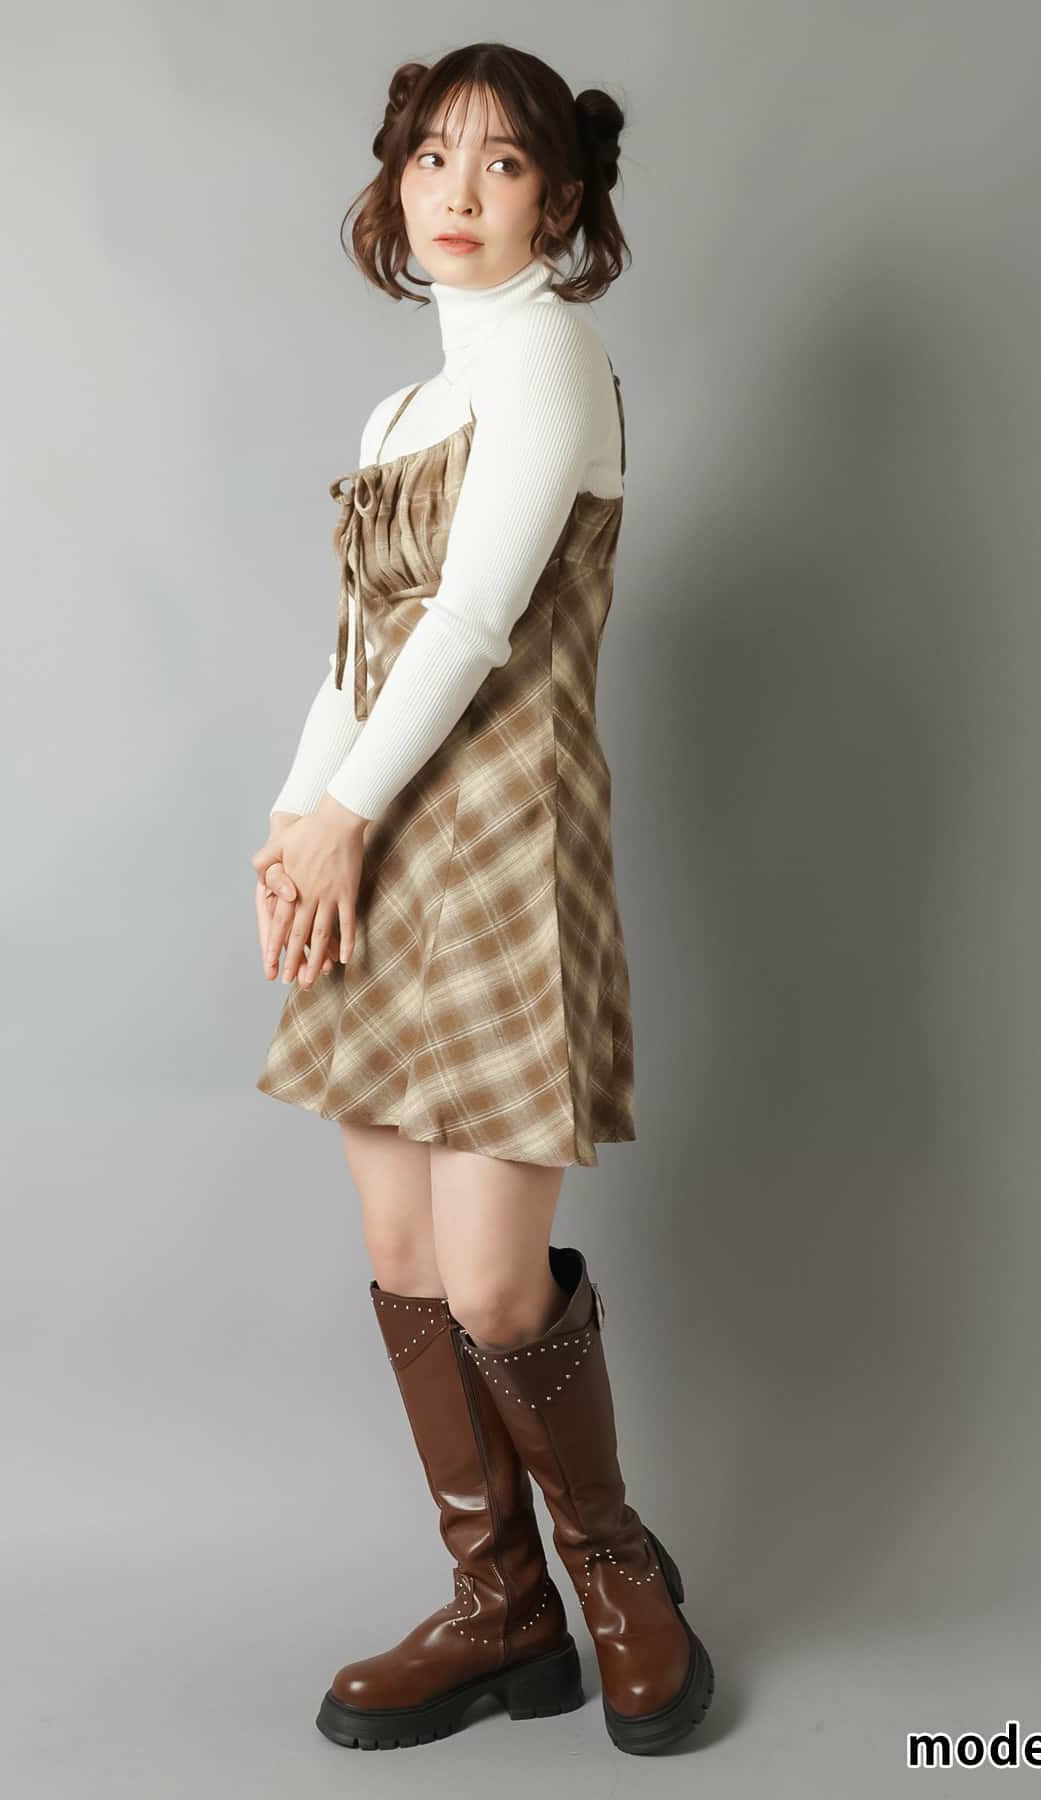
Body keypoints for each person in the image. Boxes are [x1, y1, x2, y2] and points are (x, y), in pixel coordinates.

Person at [248, 43, 713, 1756]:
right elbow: (359, 650)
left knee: (495, 1284)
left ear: (559, 201)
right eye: (433, 155)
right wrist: (297, 819)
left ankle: (618, 1577)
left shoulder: (551, 357)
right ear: (396, 178)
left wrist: (344, 818)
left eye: (502, 163)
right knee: (401, 1252)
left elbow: (469, 624)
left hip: (498, 844)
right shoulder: (400, 414)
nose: (457, 191)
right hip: (374, 837)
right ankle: (501, 1608)